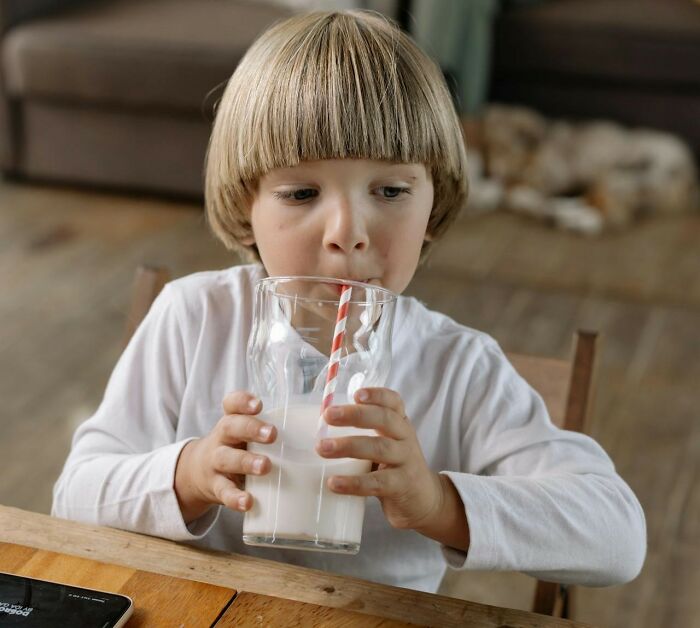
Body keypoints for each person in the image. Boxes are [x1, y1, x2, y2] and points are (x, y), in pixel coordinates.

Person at [52, 10, 646, 593]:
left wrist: (438, 502)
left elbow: (617, 535)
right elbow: (73, 495)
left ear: (432, 210)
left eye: (390, 190)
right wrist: (189, 474)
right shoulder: (194, 318)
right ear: (244, 209)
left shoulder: (458, 367)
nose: (348, 230)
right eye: (302, 192)